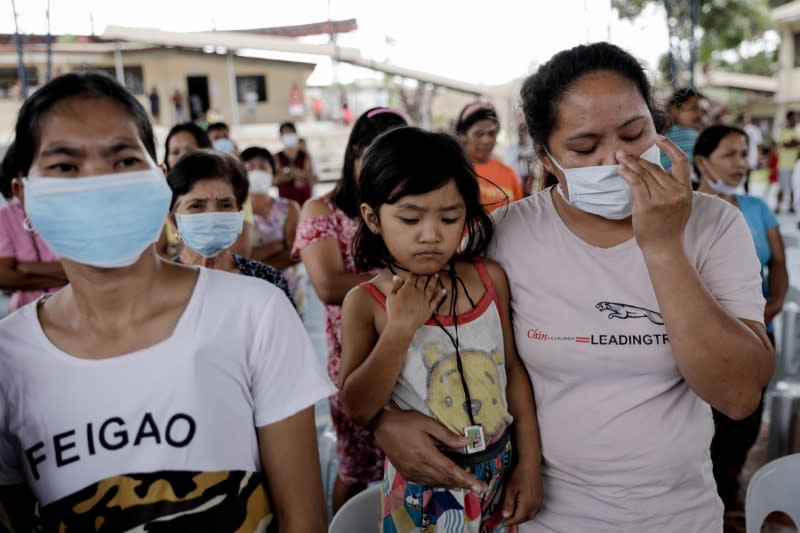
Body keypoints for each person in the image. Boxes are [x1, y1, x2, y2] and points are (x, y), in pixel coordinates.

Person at [372, 42, 774, 532]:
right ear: (546, 155)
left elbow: (737, 395)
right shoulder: (506, 237)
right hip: (538, 515)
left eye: (635, 133)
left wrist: (664, 247)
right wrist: (383, 422)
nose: (621, 159)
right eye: (585, 149)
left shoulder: (713, 225)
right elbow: (421, 347)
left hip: (680, 516)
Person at [0, 71, 331, 532]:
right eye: (65, 167)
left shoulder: (255, 312)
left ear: (158, 184)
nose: (98, 184)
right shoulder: (7, 359)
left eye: (121, 161)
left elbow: (304, 521)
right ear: (24, 197)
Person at [339, 127, 543, 531]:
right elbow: (357, 407)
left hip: (499, 473)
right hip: (421, 486)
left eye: (449, 217)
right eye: (410, 218)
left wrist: (530, 464)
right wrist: (399, 329)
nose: (431, 234)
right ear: (372, 218)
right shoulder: (366, 303)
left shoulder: (489, 279)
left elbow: (513, 371)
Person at [293, 107, 408, 513]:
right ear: (353, 156)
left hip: (412, 354)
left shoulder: (406, 207)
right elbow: (326, 285)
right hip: (354, 359)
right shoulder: (321, 211)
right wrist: (406, 285)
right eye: (374, 158)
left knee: (408, 468)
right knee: (356, 469)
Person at [694, 125, 788, 520]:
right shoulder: (686, 210)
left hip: (754, 331)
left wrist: (775, 303)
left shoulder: (756, 208)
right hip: (700, 339)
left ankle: (729, 495)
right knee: (701, 422)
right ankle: (704, 494)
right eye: (729, 154)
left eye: (743, 154)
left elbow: (779, 263)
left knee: (744, 422)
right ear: (701, 161)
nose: (741, 164)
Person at [167, 149, 292, 302]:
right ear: (174, 221)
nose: (212, 217)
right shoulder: (157, 286)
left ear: (239, 214)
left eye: (225, 205)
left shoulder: (268, 282)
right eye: (196, 205)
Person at [0, 143, 66, 315]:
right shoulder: (6, 217)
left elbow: (102, 270)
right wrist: (73, 275)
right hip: (26, 312)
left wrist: (27, 268)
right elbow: (4, 276)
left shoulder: (75, 211)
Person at [241, 146, 304, 309]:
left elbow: (296, 252)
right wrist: (278, 245)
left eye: (263, 166)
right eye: (250, 167)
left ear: (273, 173)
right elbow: (240, 257)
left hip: (289, 291)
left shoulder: (289, 208)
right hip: (250, 296)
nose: (257, 172)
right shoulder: (235, 211)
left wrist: (255, 261)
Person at [456, 102, 523, 213]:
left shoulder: (509, 174)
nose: (487, 140)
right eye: (479, 134)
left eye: (491, 134)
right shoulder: (453, 171)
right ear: (462, 134)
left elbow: (519, 215)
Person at [660, 87, 707, 185]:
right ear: (674, 110)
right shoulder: (689, 135)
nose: (700, 115)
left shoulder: (659, 134)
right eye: (694, 108)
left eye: (703, 111)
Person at [275, 122, 315, 205]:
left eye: (290, 132)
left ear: (296, 134)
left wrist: (288, 172)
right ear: (281, 136)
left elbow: (309, 175)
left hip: (304, 200)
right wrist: (298, 173)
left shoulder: (305, 156)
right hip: (285, 201)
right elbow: (276, 179)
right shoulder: (277, 157)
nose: (288, 135)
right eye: (285, 133)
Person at [505, 122, 539, 196]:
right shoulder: (511, 150)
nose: (523, 136)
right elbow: (508, 166)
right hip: (515, 183)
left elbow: (535, 169)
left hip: (529, 187)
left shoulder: (532, 150)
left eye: (526, 134)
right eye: (521, 133)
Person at [776, 110, 800, 213]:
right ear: (788, 119)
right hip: (784, 165)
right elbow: (785, 144)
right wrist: (794, 143)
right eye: (792, 118)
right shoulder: (783, 132)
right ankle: (778, 206)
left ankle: (791, 206)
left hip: (795, 165)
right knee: (782, 187)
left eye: (796, 118)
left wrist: (794, 142)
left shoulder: (798, 132)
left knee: (794, 187)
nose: (795, 120)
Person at [739, 113, 763, 194]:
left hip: (750, 157)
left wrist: (759, 157)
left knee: (746, 175)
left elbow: (758, 145)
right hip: (742, 157)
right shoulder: (740, 130)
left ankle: (746, 192)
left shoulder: (754, 130)